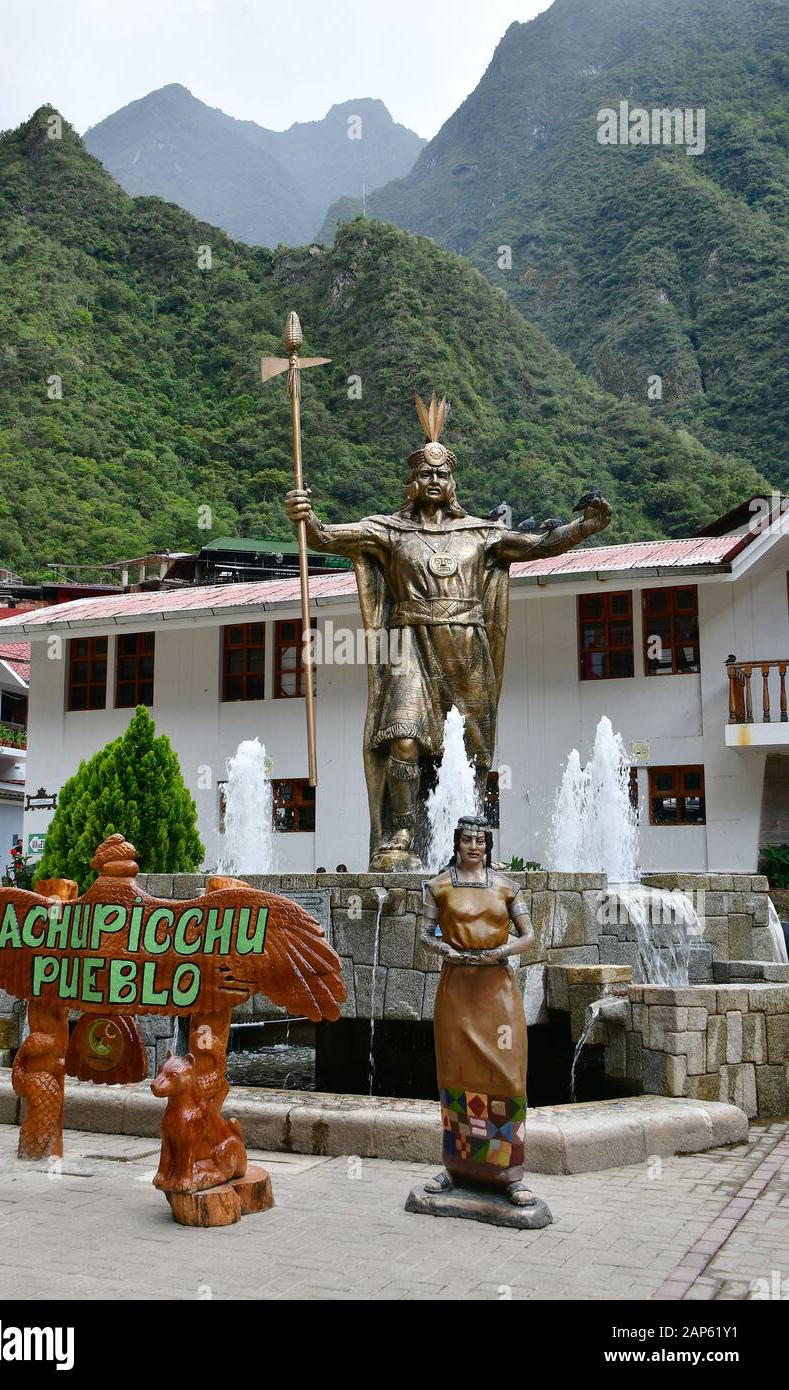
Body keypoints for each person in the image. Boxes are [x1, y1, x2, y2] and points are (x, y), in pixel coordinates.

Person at [285, 393, 611, 868]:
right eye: (424, 473)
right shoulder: (388, 531)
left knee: (472, 751)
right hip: (410, 644)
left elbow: (540, 545)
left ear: (452, 481)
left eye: (441, 473)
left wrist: (584, 528)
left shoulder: (481, 533)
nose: (433, 480)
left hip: (466, 649)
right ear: (411, 481)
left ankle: (471, 842)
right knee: (402, 738)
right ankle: (400, 835)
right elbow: (325, 537)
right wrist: (304, 513)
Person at [419, 815, 537, 1206]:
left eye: (481, 840)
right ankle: (457, 1166)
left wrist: (500, 952)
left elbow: (529, 936)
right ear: (457, 843)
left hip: (497, 989)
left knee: (507, 1076)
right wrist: (444, 949)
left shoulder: (507, 887)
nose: (474, 846)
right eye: (468, 839)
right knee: (456, 1075)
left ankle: (511, 1172)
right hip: (457, 990)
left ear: (488, 845)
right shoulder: (438, 887)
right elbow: (423, 935)